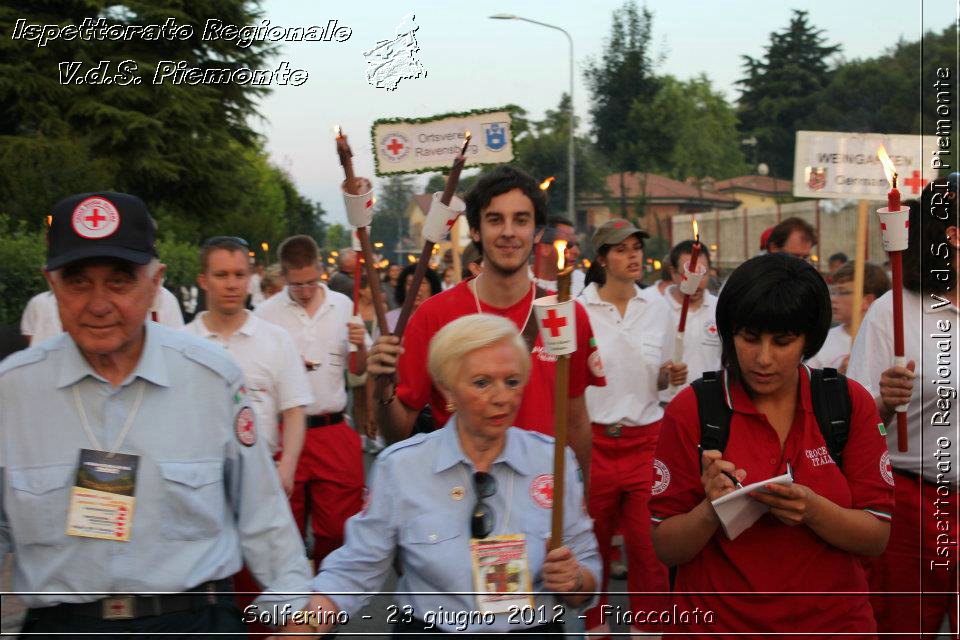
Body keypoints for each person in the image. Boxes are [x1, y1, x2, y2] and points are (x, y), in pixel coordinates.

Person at [0, 192, 313, 634]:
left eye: (120, 281)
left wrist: (296, 616)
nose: (98, 303)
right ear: (51, 285)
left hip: (193, 621)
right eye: (77, 282)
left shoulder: (212, 379)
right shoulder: (12, 393)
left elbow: (262, 514)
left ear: (155, 283)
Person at [308, 314, 601, 636]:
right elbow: (355, 569)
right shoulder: (402, 467)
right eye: (482, 382)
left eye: (512, 381)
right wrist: (303, 626)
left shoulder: (553, 461)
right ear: (447, 390)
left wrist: (574, 581)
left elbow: (587, 570)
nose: (502, 397)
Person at [650, 253, 893, 638]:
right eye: (749, 338)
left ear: (808, 339)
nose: (763, 358)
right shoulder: (694, 410)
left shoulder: (847, 404)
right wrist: (710, 509)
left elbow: (876, 536)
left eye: (782, 341)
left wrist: (813, 510)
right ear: (729, 333)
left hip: (832, 626)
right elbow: (666, 544)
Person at [368, 165, 605, 477]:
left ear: (536, 232)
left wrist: (580, 500)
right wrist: (382, 387)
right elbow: (397, 433)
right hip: (460, 494)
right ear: (476, 231)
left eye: (521, 220)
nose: (508, 231)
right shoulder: (434, 315)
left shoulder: (565, 312)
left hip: (543, 499)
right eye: (495, 219)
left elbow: (575, 421)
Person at [846, 175, 959, 637]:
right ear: (952, 235)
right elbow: (853, 424)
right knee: (903, 628)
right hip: (913, 506)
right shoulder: (893, 312)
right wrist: (885, 405)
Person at [578, 219, 685, 636]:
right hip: (596, 443)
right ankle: (594, 626)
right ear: (602, 259)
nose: (633, 255)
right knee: (594, 545)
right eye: (620, 249)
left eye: (636, 247)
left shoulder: (656, 307)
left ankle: (649, 630)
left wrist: (667, 376)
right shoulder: (578, 309)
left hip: (647, 441)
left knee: (648, 548)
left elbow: (652, 378)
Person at [254, 235, 369, 564]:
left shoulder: (343, 306)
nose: (304, 291)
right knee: (282, 528)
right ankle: (290, 601)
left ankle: (323, 594)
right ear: (285, 275)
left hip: (330, 426)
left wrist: (361, 345)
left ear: (320, 269)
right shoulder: (265, 313)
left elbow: (359, 369)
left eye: (310, 282)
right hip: (283, 430)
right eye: (296, 285)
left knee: (337, 529)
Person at [185, 237, 312, 496]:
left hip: (261, 476)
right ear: (203, 281)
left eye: (239, 275)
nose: (231, 284)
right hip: (197, 480)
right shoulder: (182, 342)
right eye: (221, 275)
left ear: (250, 278)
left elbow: (294, 410)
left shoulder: (277, 339)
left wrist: (286, 468)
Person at [21, 280, 183, 345]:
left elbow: (174, 345)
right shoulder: (43, 304)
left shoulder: (166, 299)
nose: (99, 307)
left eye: (118, 281)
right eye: (79, 281)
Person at [661, 239, 721, 399]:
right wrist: (666, 377)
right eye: (689, 274)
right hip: (667, 406)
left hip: (709, 406)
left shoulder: (720, 309)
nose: (697, 282)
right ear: (673, 273)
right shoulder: (655, 309)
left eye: (702, 274)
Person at [806, 261, 889, 372]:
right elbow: (808, 381)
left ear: (868, 300)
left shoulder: (886, 339)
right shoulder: (823, 340)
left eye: (842, 292)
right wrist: (838, 375)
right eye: (833, 292)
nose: (833, 299)